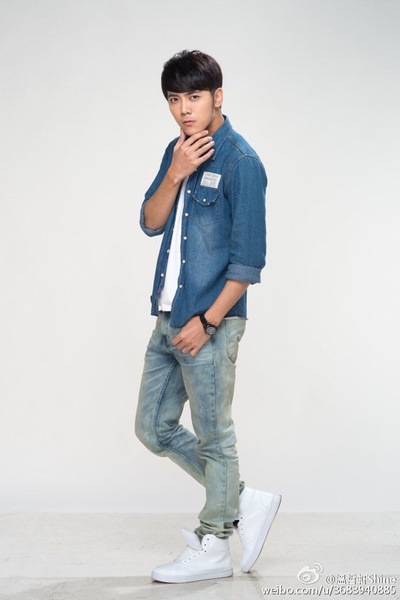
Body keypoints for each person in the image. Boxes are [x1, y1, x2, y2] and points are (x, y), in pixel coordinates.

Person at [135, 49, 281, 584]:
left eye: (194, 96)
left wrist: (210, 322)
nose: (184, 109)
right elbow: (150, 221)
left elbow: (247, 262)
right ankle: (243, 499)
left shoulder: (242, 163)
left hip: (210, 323)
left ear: (217, 97)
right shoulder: (176, 152)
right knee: (152, 428)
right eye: (175, 99)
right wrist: (175, 173)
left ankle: (216, 541)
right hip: (169, 315)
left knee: (215, 436)